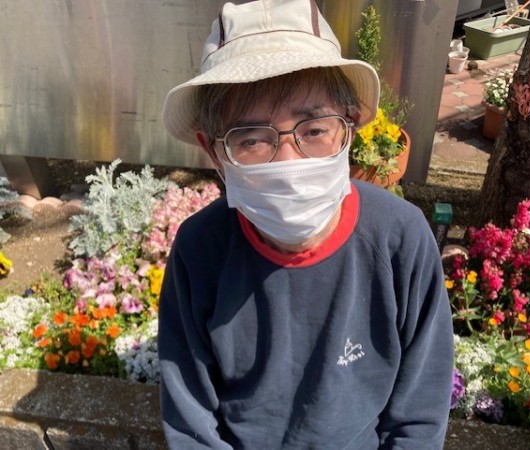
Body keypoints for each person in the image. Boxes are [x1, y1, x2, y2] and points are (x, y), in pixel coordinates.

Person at [158, 0, 454, 448]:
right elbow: (191, 423)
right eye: (251, 140)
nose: (288, 162)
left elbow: (419, 416)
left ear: (350, 126)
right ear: (213, 151)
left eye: (314, 130)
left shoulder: (399, 238)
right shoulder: (200, 249)